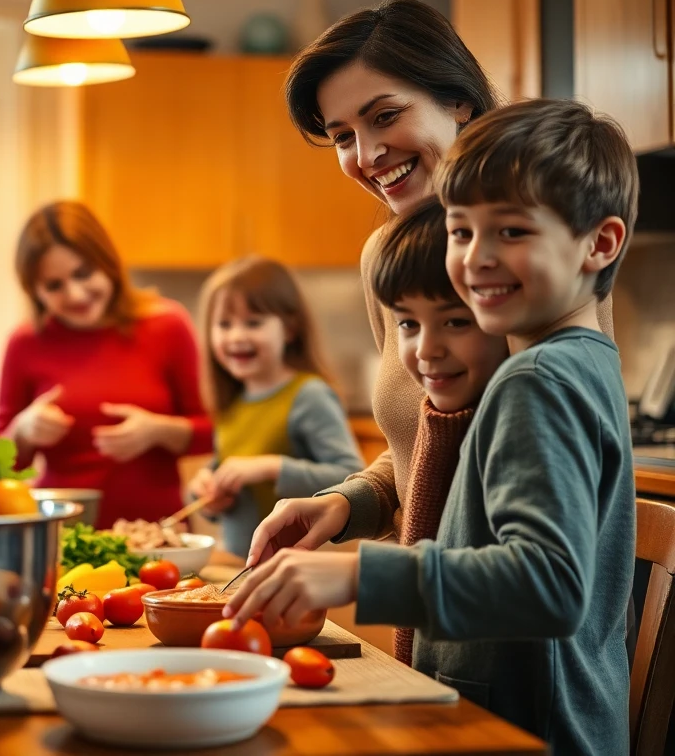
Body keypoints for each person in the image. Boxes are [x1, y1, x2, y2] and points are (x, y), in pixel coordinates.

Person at [226, 99, 638, 755]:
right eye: (463, 231)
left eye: (511, 232)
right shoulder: (580, 362)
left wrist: (356, 576)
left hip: (525, 733)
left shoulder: (537, 382)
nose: (476, 258)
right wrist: (351, 507)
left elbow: (549, 584)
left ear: (601, 243)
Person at [249, 0, 614, 558]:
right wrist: (348, 502)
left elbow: (555, 494)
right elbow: (417, 450)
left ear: (459, 101)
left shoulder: (543, 259)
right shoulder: (385, 256)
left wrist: (361, 579)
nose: (367, 154)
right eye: (343, 136)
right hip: (436, 626)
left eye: (385, 116)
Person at [0, 201, 212, 528]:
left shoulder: (168, 325)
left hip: (158, 536)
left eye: (84, 273)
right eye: (54, 285)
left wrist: (158, 431)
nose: (76, 294)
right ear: (35, 291)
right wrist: (23, 430)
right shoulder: (24, 343)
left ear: (107, 263)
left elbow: (212, 433)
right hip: (64, 538)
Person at [369, 197, 508, 663]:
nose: (426, 350)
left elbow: (544, 584)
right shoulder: (445, 413)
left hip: (517, 721)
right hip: (446, 680)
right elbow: (405, 458)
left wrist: (359, 577)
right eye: (407, 322)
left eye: (455, 321)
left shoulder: (522, 415)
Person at [186, 256, 363, 558]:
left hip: (295, 568)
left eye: (253, 322)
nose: (237, 336)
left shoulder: (309, 395)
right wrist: (205, 490)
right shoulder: (232, 401)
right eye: (224, 324)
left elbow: (353, 477)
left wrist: (271, 467)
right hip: (238, 564)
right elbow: (226, 469)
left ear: (290, 328)